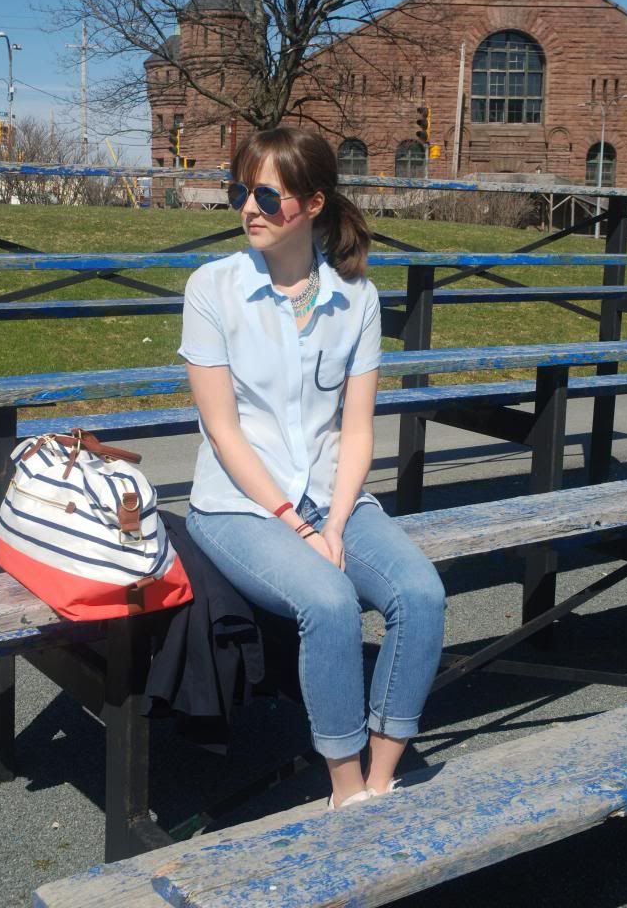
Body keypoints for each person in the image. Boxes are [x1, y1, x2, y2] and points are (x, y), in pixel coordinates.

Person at [180, 126, 445, 809]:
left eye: (267, 195)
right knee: (328, 604)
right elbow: (224, 432)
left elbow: (356, 430)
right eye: (241, 191)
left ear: (313, 203)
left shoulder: (356, 297)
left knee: (420, 594)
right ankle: (345, 792)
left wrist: (334, 520)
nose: (249, 207)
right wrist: (298, 527)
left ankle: (382, 780)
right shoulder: (213, 288)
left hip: (333, 495)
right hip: (240, 504)